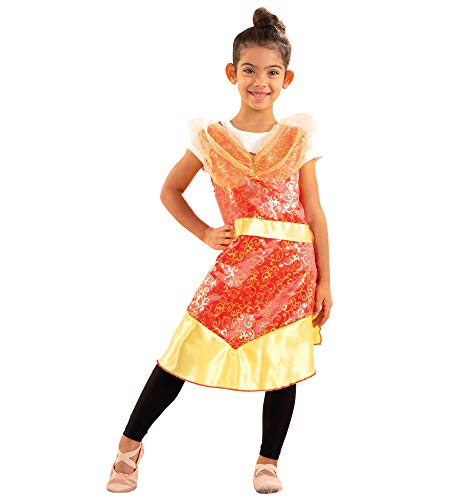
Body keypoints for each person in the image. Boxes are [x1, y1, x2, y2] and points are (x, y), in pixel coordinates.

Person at [106, 6, 333, 495]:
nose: (260, 82)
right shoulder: (211, 139)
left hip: (293, 270)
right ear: (232, 73)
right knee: (182, 350)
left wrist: (325, 280)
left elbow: (314, 212)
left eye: (272, 73)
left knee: (283, 365)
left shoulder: (299, 137)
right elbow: (170, 191)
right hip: (237, 267)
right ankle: (128, 446)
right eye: (249, 70)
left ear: (287, 78)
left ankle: (268, 460)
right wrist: (206, 233)